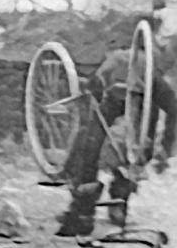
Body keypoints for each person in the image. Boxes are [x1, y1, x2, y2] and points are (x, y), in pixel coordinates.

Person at [55, 26, 177, 236]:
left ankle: (90, 212)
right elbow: (173, 110)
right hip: (125, 111)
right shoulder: (140, 66)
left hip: (125, 113)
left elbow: (97, 82)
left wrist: (93, 87)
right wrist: (165, 145)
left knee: (98, 155)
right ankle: (102, 209)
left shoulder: (133, 66)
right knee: (115, 154)